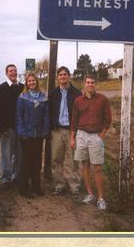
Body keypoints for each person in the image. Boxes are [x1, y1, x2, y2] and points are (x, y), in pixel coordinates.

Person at [70, 74, 112, 211]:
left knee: (97, 168)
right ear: (84, 84)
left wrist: (101, 135)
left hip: (96, 136)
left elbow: (108, 119)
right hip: (81, 135)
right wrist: (72, 137)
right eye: (88, 82)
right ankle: (90, 194)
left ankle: (101, 198)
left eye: (92, 82)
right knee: (85, 166)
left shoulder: (102, 100)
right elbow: (74, 121)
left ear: (95, 84)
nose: (90, 85)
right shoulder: (78, 101)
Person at [48, 66, 82, 196]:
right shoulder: (53, 94)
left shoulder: (77, 93)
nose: (63, 77)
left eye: (65, 74)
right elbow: (49, 112)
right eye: (60, 75)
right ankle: (59, 185)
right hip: (56, 131)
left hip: (71, 131)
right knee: (56, 159)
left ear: (69, 76)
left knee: (73, 159)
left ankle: (74, 186)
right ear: (57, 77)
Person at [16, 72, 50, 198]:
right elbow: (19, 117)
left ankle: (36, 186)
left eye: (33, 80)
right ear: (27, 83)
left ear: (37, 82)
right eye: (29, 81)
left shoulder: (43, 97)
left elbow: (46, 115)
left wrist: (45, 131)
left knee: (37, 162)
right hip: (27, 135)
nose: (31, 82)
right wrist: (22, 132)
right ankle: (23, 188)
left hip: (39, 135)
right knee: (26, 162)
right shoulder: (23, 97)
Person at [0, 64, 24, 189]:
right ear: (6, 73)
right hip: (7, 128)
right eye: (10, 71)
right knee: (6, 155)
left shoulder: (22, 88)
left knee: (19, 154)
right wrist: (2, 128)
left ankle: (16, 177)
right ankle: (5, 179)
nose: (13, 73)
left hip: (21, 128)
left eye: (15, 71)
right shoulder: (2, 88)